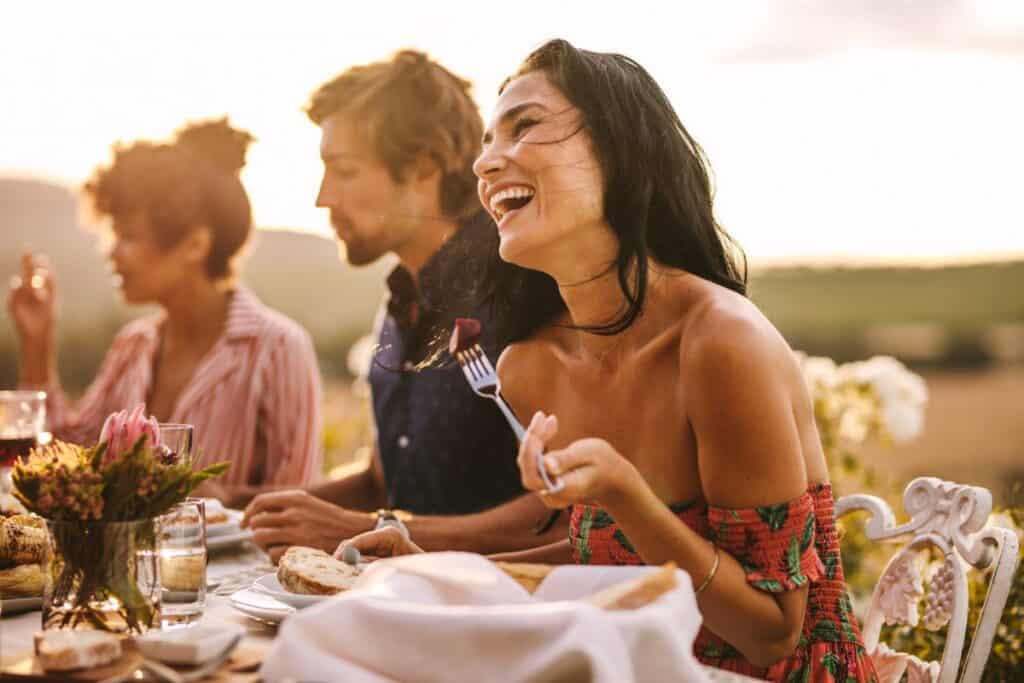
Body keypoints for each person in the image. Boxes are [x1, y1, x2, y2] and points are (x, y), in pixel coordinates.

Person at [342, 40, 879, 682]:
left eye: (526, 125)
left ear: (619, 150)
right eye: (487, 141)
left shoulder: (721, 343)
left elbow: (770, 633)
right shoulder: (530, 366)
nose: (486, 162)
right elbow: (610, 556)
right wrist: (428, 559)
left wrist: (623, 492)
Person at [242, 50, 568, 563]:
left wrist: (370, 527)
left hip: (503, 615)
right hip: (400, 603)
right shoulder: (399, 303)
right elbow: (383, 481)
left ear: (423, 168)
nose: (322, 197)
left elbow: (567, 509)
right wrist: (248, 509)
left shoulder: (527, 289)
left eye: (343, 171)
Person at [7, 119, 323, 507]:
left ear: (194, 244)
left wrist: (222, 498)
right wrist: (38, 343)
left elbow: (301, 504)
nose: (111, 251)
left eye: (129, 236)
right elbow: (67, 464)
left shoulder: (278, 348)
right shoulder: (133, 345)